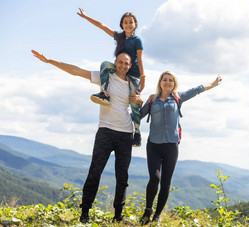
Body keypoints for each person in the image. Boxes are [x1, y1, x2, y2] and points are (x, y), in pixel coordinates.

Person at [31, 50, 143, 224]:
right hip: (105, 131)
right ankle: (84, 213)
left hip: (126, 134)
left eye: (126, 63)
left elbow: (137, 111)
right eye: (120, 62)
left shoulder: (132, 85)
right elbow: (76, 71)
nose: (123, 65)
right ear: (115, 62)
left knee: (122, 177)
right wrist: (49, 61)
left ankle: (118, 216)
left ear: (130, 66)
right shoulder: (105, 76)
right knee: (94, 173)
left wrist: (140, 102)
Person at [135, 71, 222, 225]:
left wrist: (213, 84)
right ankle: (148, 211)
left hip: (172, 146)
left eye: (170, 80)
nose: (167, 82)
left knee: (166, 182)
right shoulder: (151, 100)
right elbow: (138, 116)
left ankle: (157, 216)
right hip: (154, 145)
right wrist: (135, 103)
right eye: (165, 80)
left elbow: (198, 89)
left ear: (174, 83)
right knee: (155, 179)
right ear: (160, 82)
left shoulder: (178, 97)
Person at [77, 8, 144, 147]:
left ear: (135, 24)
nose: (128, 24)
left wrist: (143, 76)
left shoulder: (137, 40)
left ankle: (137, 132)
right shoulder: (119, 37)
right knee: (105, 65)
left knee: (134, 101)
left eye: (131, 22)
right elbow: (102, 26)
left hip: (133, 73)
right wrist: (85, 17)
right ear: (122, 24)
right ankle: (105, 93)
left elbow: (139, 58)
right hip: (119, 66)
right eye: (125, 22)